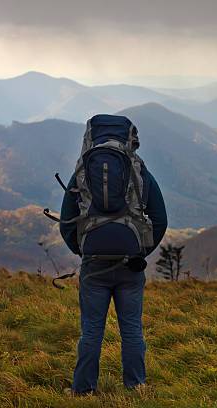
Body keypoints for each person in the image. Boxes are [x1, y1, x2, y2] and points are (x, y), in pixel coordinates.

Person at [59, 115, 167, 394]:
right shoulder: (139, 170)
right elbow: (160, 218)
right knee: (132, 329)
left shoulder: (83, 169)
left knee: (91, 330)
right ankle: (136, 387)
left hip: (94, 262)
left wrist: (83, 251)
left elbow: (66, 220)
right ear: (130, 138)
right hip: (131, 263)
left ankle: (82, 391)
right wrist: (140, 251)